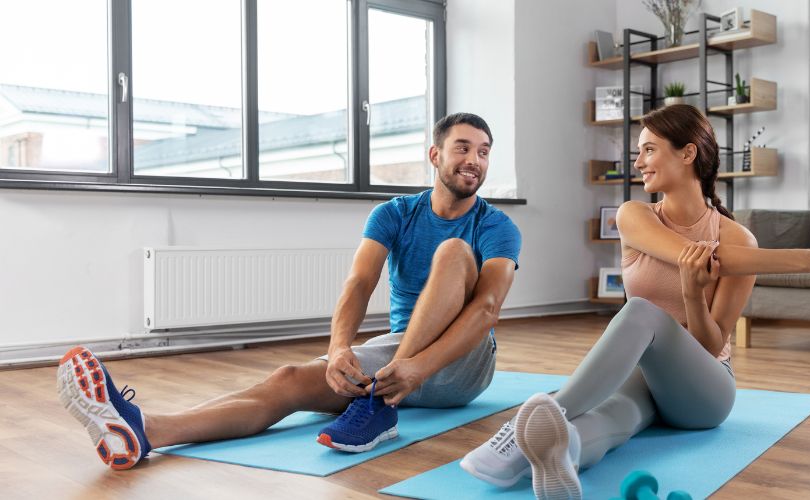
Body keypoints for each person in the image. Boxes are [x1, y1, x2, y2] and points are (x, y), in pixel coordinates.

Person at [460, 104, 810, 499]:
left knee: (642, 312)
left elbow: (711, 342)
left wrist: (691, 295)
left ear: (687, 154)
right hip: (646, 376)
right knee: (616, 415)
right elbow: (695, 255)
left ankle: (523, 429)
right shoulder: (635, 215)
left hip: (705, 392)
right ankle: (562, 456)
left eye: (648, 149)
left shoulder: (739, 240)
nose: (638, 161)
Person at [57, 112, 522, 469]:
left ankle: (382, 398)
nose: (473, 161)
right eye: (463, 148)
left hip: (462, 364)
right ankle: (145, 431)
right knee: (287, 380)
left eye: (483, 152)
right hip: (399, 355)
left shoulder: (496, 227)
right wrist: (339, 349)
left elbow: (486, 309)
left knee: (455, 253)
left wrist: (416, 367)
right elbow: (359, 283)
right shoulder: (394, 213)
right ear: (435, 155)